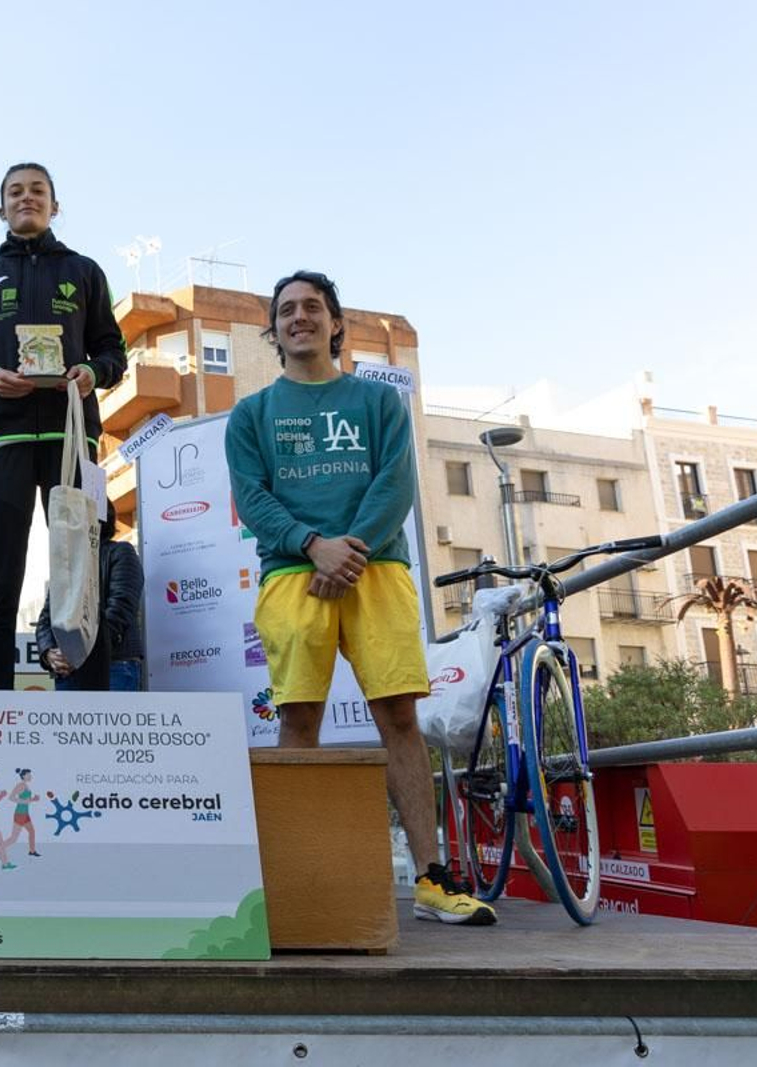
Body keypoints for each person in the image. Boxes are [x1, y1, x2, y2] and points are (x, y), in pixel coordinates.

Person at [226, 270, 496, 927]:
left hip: (375, 568)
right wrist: (313, 544)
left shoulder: (377, 405)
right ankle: (295, 883)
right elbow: (254, 499)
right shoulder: (251, 414)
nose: (299, 318)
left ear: (335, 322)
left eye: (312, 307)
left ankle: (432, 880)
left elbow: (395, 484)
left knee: (399, 716)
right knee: (298, 719)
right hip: (293, 573)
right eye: (287, 310)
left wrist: (349, 551)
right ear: (275, 329)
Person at [0, 162, 127, 690]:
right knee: (0, 578)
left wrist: (93, 372)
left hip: (72, 440)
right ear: (1, 209)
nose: (26, 198)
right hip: (4, 439)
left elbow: (114, 351)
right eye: (15, 192)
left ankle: (90, 712)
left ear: (54, 205)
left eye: (37, 191)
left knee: (85, 575)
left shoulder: (85, 272)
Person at [36, 501, 143, 690]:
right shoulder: (66, 565)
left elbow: (120, 609)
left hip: (114, 665)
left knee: (114, 721)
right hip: (69, 671)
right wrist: (49, 653)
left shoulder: (121, 552)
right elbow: (46, 618)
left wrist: (80, 652)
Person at [8, 768, 43, 858]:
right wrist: (30, 800)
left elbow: (27, 800)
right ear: (23, 776)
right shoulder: (20, 785)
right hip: (20, 814)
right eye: (28, 775)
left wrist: (33, 799)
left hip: (25, 814)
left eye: (30, 775)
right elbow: (11, 798)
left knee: (32, 832)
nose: (30, 776)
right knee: (13, 838)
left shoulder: (25, 785)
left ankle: (32, 851)